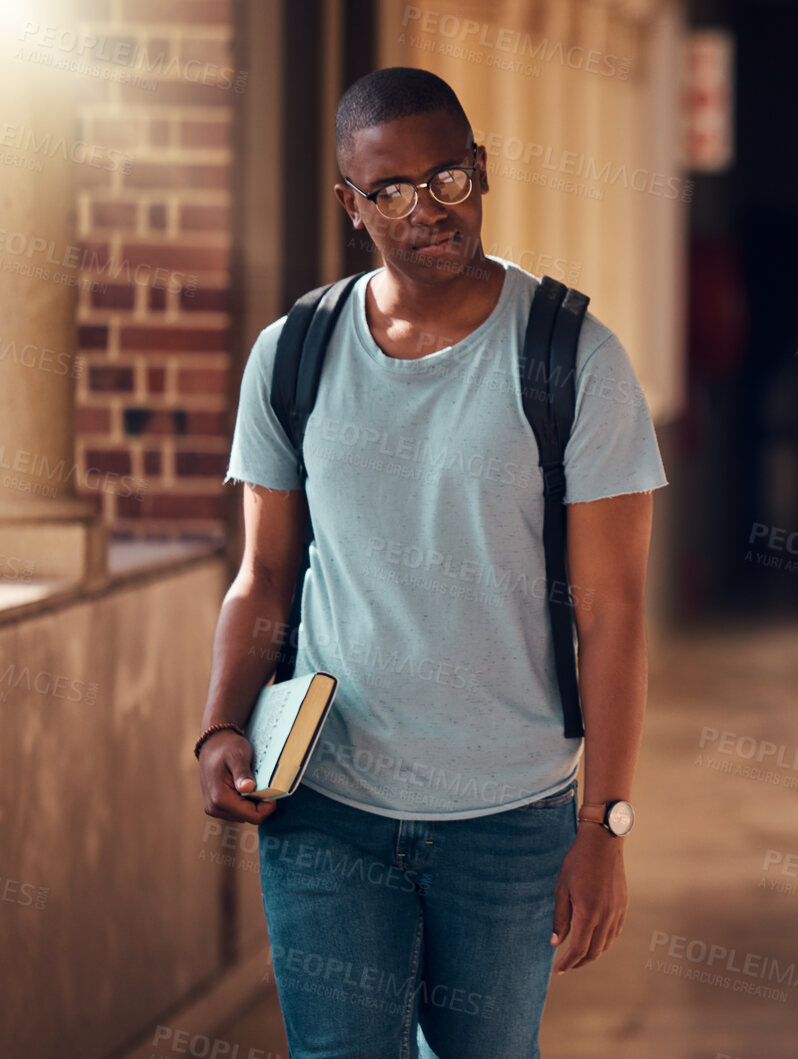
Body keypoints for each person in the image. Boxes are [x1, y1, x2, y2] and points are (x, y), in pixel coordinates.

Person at [194, 67, 666, 1056]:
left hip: (510, 814)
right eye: (392, 192)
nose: (426, 212)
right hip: (323, 804)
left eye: (444, 179)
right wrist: (216, 729)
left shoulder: (572, 359)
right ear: (350, 205)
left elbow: (614, 614)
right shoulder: (293, 356)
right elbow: (264, 576)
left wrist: (604, 825)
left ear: (479, 169)